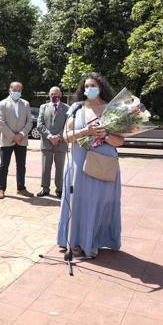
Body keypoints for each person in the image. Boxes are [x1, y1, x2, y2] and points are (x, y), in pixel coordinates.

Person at [56, 73, 124, 258]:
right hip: (78, 163)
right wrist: (86, 131)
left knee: (98, 203)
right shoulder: (76, 109)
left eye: (93, 85)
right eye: (86, 86)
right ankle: (74, 241)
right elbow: (66, 136)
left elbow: (120, 141)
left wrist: (105, 136)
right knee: (77, 202)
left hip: (103, 164)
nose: (89, 89)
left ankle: (93, 241)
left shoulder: (113, 110)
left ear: (100, 87)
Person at [0, 82, 34, 199]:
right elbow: (0, 123)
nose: (17, 92)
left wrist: (21, 134)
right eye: (14, 89)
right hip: (7, 140)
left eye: (19, 90)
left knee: (21, 165)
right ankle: (1, 189)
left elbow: (29, 122)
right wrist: (13, 136)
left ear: (21, 91)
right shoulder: (2, 104)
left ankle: (21, 188)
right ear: (10, 90)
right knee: (4, 165)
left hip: (22, 140)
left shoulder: (26, 104)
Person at [37, 86, 69, 198]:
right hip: (46, 142)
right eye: (51, 94)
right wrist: (50, 136)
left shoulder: (67, 108)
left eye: (56, 94)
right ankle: (45, 188)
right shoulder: (43, 107)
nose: (53, 96)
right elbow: (40, 124)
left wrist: (58, 137)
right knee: (45, 167)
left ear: (60, 95)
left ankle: (59, 189)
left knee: (60, 168)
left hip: (61, 143)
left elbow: (68, 126)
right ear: (49, 95)